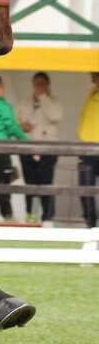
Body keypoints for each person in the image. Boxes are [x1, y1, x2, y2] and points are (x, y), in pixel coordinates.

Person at [16, 72, 63, 224]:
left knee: (46, 184)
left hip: (48, 149)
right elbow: (16, 121)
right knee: (29, 183)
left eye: (42, 83)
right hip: (28, 149)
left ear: (48, 85)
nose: (39, 86)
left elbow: (56, 116)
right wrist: (21, 126)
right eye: (36, 83)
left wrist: (43, 98)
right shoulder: (25, 102)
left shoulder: (55, 102)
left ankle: (48, 217)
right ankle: (30, 216)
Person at [0, 76, 25, 222]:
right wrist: (26, 141)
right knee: (4, 181)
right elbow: (12, 126)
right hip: (2, 148)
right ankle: (7, 215)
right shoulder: (4, 106)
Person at [77, 72, 99, 228]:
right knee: (85, 187)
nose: (91, 76)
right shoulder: (92, 92)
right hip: (87, 149)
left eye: (94, 74)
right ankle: (90, 221)